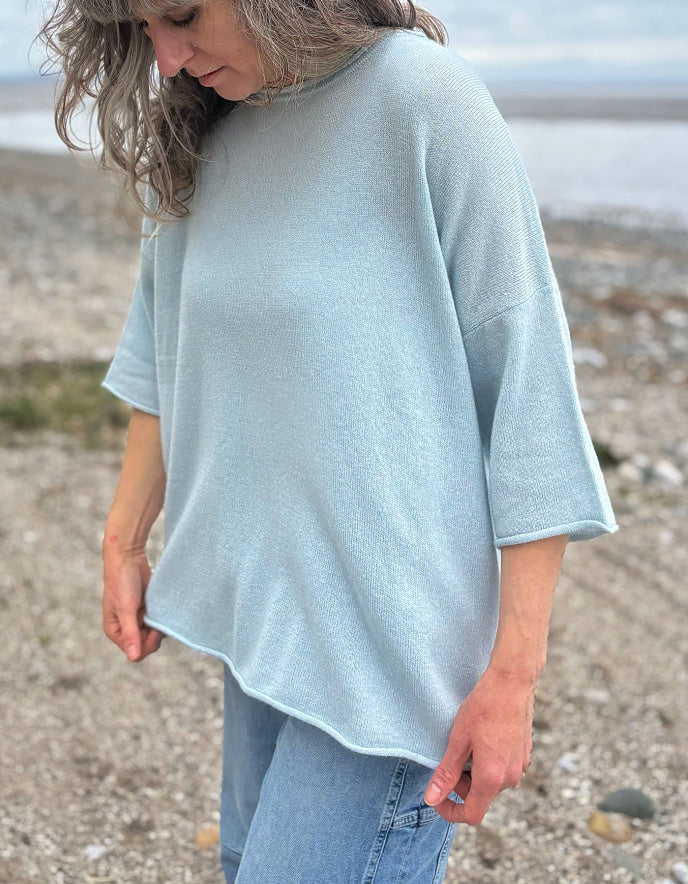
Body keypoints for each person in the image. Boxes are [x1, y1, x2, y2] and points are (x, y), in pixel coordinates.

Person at [39, 0, 619, 881]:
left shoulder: (422, 99)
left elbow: (530, 395)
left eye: (183, 15)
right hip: (263, 634)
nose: (164, 58)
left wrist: (513, 680)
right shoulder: (203, 128)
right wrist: (123, 537)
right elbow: (162, 351)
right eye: (141, 28)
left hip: (394, 654)